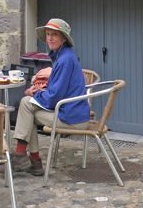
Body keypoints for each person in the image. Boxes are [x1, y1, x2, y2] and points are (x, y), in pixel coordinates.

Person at [11, 18, 90, 176]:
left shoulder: (65, 60)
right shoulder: (63, 56)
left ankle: (23, 157)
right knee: (28, 111)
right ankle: (32, 161)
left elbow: (54, 97)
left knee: (26, 104)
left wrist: (34, 93)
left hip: (72, 118)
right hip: (71, 112)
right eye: (48, 34)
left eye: (54, 34)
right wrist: (40, 89)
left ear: (63, 38)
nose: (50, 38)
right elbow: (57, 89)